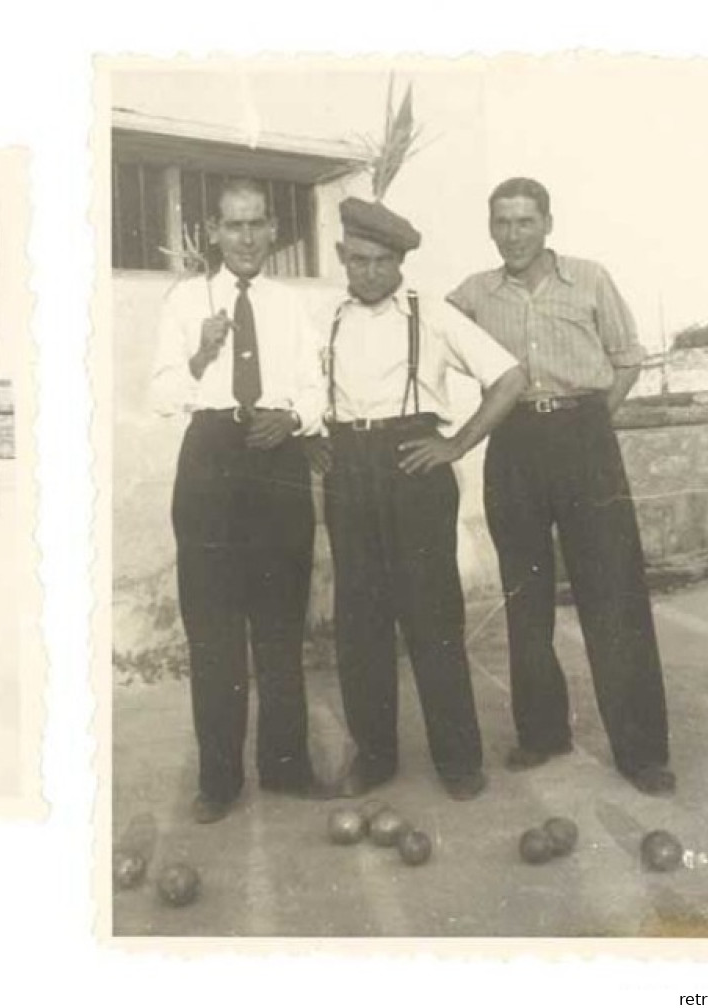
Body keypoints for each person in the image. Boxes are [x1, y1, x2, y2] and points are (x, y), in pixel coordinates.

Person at [449, 177, 674, 796]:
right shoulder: (472, 293)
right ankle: (541, 733)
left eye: (525, 221)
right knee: (526, 598)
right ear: (490, 228)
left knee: (614, 597)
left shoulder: (590, 278)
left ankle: (641, 750)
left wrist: (592, 418)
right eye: (502, 222)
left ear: (548, 223)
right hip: (513, 443)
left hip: (585, 438)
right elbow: (425, 337)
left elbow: (627, 358)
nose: (514, 234)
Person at [321, 197, 527, 802]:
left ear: (401, 263)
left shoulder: (431, 314)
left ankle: (459, 760)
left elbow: (509, 377)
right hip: (346, 468)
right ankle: (376, 757)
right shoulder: (325, 318)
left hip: (413, 463)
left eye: (383, 262)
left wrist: (457, 444)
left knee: (432, 619)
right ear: (342, 256)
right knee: (359, 624)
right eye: (358, 260)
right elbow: (302, 392)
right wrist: (314, 447)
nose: (370, 273)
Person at [146, 178, 329, 825]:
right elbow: (164, 394)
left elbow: (316, 387)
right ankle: (218, 780)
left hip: (274, 452)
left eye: (256, 225)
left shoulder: (288, 304)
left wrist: (294, 418)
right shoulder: (183, 300)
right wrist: (201, 352)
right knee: (214, 632)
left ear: (272, 231)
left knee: (279, 628)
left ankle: (286, 769)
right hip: (210, 458)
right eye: (233, 225)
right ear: (214, 232)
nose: (246, 237)